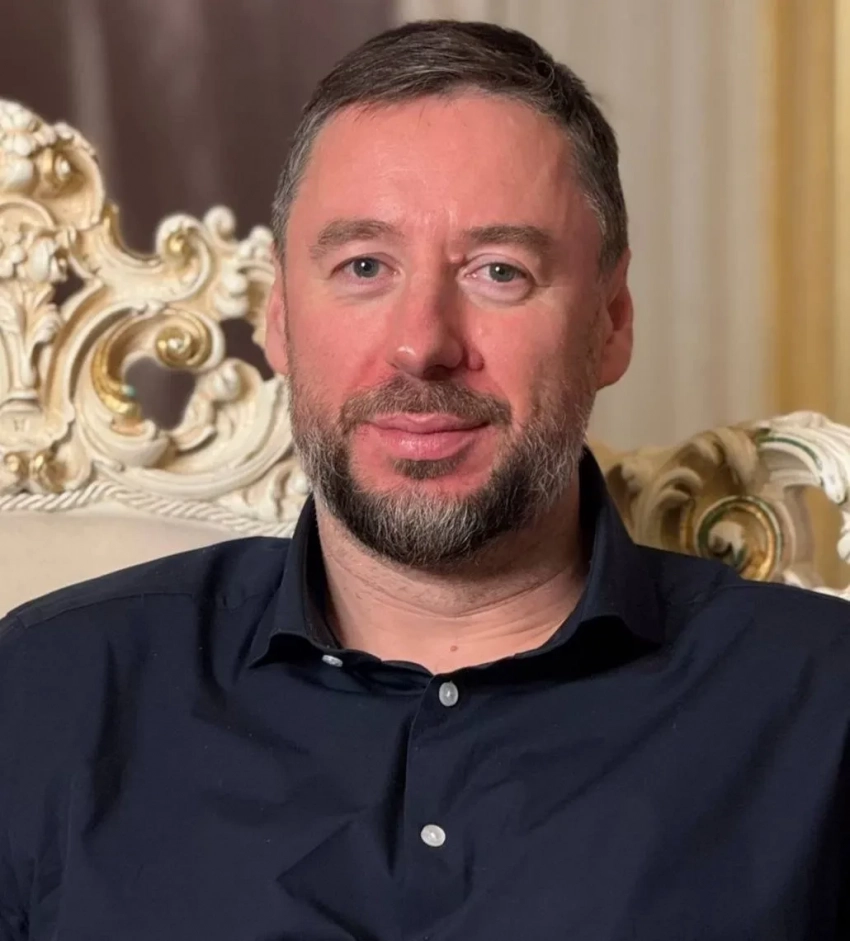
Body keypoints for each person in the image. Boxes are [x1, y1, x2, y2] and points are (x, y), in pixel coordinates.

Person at [1, 18, 848, 941]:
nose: (423, 345)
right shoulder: (50, 689)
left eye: (499, 271)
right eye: (364, 266)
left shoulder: (823, 704)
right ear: (280, 317)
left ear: (611, 321)